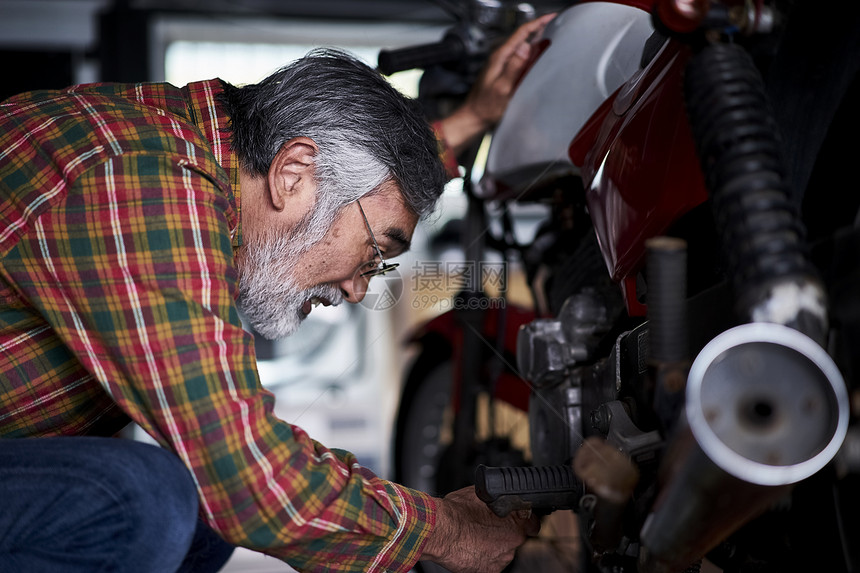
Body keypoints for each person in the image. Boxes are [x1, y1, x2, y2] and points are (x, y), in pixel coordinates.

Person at [0, 14, 553, 573]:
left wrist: (469, 120)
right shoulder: (141, 183)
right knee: (148, 499)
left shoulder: (206, 143)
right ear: (292, 174)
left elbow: (367, 188)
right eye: (373, 255)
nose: (359, 290)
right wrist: (446, 531)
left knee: (198, 510)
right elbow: (240, 470)